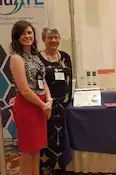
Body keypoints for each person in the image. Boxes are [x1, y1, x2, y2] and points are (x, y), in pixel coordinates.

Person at [10, 20, 52, 175]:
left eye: (29, 32)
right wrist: (43, 105)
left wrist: (49, 100)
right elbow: (25, 90)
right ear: (16, 37)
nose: (27, 36)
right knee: (27, 151)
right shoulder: (16, 58)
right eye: (22, 33)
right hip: (28, 106)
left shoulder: (34, 56)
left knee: (36, 149)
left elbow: (43, 80)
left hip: (40, 105)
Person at [38, 28, 73, 174]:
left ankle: (62, 166)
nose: (53, 40)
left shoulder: (65, 56)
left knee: (63, 136)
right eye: (50, 37)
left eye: (56, 37)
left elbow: (70, 80)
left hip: (64, 104)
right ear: (43, 39)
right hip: (46, 104)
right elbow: (37, 82)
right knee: (47, 135)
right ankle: (47, 167)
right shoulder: (37, 58)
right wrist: (45, 102)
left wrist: (71, 99)